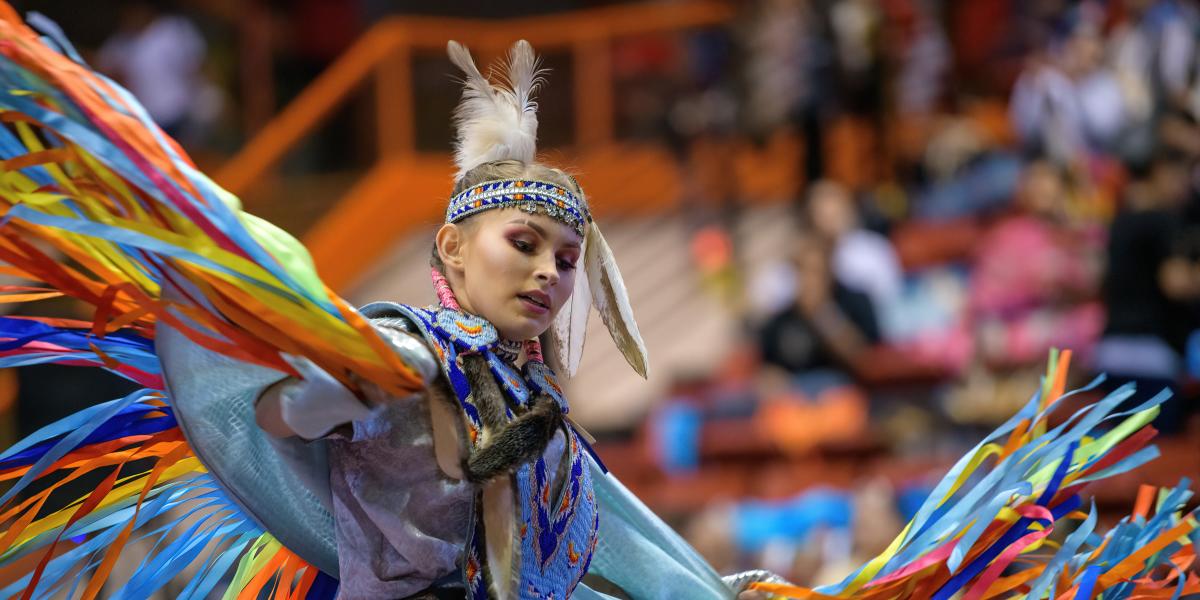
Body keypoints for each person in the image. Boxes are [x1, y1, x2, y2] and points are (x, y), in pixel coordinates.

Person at [0, 8, 1194, 600]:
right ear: (451, 255)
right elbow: (277, 420)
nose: (549, 275)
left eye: (568, 260)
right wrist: (365, 381)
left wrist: (710, 591)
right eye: (524, 245)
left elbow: (607, 522)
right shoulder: (413, 349)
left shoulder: (529, 405)